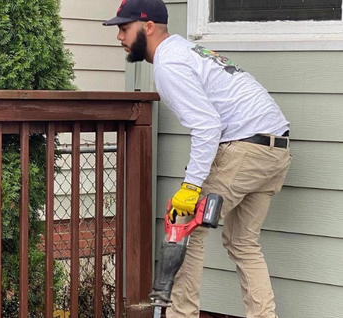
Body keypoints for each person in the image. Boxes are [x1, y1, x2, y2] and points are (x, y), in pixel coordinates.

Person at [103, 1, 292, 318]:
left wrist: (191, 186)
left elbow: (207, 126)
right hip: (275, 149)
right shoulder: (189, 51)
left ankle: (181, 315)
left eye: (124, 28)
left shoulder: (170, 64)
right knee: (242, 242)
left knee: (183, 225)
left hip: (244, 146)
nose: (119, 36)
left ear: (147, 27)